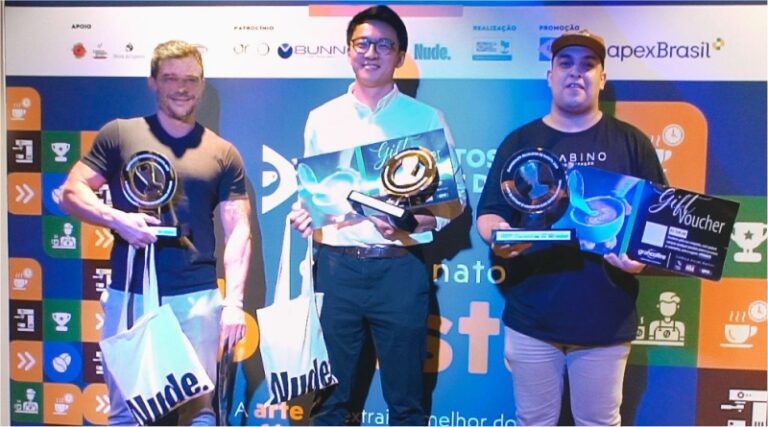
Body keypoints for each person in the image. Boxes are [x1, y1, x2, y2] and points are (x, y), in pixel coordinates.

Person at [476, 30, 667, 426]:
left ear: (602, 78)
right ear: (550, 76)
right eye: (565, 64)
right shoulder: (520, 140)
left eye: (588, 65)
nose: (575, 73)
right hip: (532, 318)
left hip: (606, 319)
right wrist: (499, 236)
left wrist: (640, 258)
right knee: (534, 421)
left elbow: (657, 221)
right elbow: (490, 212)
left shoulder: (631, 143)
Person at [288, 5, 464, 425]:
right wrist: (303, 213)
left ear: (400, 56)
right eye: (362, 43)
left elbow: (454, 201)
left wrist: (414, 222)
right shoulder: (321, 119)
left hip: (400, 268)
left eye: (384, 45)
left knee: (407, 402)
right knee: (330, 402)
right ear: (349, 50)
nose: (371, 52)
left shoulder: (425, 119)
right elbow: (311, 194)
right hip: (336, 270)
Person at [60, 40, 251, 426]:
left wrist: (234, 302)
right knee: (128, 414)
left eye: (191, 79)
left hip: (196, 299)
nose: (182, 88)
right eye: (170, 78)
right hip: (130, 295)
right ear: (153, 82)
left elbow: (239, 230)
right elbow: (71, 192)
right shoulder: (120, 134)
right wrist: (117, 219)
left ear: (202, 84)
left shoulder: (223, 152)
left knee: (200, 411)